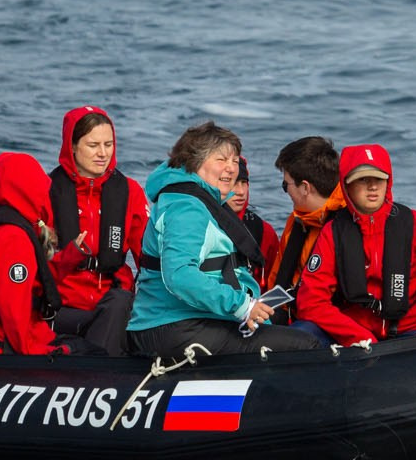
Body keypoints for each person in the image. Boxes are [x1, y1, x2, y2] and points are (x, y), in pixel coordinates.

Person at [126, 121, 319, 359]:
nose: (231, 168)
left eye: (235, 161)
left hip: (194, 320)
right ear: (194, 163)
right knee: (306, 345)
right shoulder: (186, 207)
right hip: (172, 326)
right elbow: (180, 275)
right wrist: (242, 306)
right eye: (221, 160)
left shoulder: (202, 201)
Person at [296, 143, 416, 345]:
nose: (373, 186)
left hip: (412, 332)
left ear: (388, 181)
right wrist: (360, 338)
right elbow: (311, 302)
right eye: (363, 179)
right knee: (300, 333)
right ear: (347, 185)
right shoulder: (333, 232)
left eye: (379, 179)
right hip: (354, 335)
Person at [46, 106, 146, 357]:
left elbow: (148, 255)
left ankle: (90, 362)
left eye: (108, 144)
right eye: (93, 145)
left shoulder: (129, 191)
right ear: (73, 146)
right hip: (63, 304)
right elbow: (34, 261)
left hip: (111, 302)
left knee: (121, 302)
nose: (103, 153)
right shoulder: (47, 191)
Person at [0, 152, 78, 356]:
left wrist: (71, 256)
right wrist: (33, 353)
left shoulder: (4, 226)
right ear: (25, 186)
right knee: (92, 353)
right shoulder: (13, 238)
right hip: (2, 346)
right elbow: (13, 310)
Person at [267, 136, 343, 298]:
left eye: (286, 185)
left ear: (305, 188)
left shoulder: (349, 226)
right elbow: (277, 281)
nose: (286, 191)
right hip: (291, 313)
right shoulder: (297, 220)